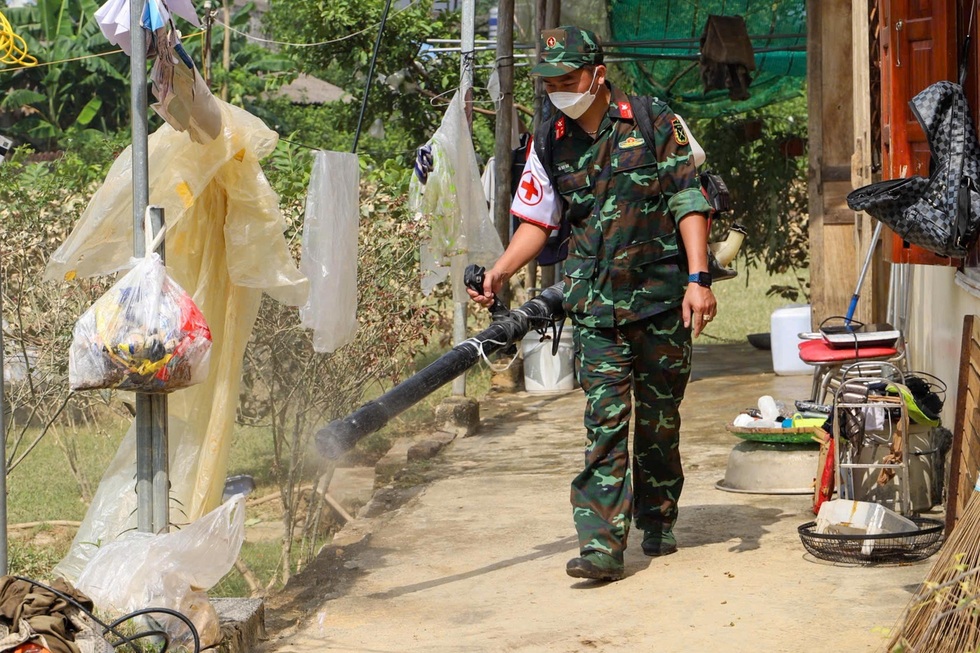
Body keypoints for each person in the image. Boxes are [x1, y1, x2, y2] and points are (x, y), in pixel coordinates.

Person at [466, 26, 717, 582]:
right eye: (549, 81)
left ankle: (658, 516)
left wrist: (699, 279)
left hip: (660, 302)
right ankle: (602, 547)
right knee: (605, 422)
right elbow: (538, 219)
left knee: (658, 422)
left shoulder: (652, 120)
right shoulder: (548, 139)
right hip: (595, 308)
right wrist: (501, 271)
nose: (557, 89)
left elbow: (688, 197)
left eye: (567, 78)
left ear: (597, 75)